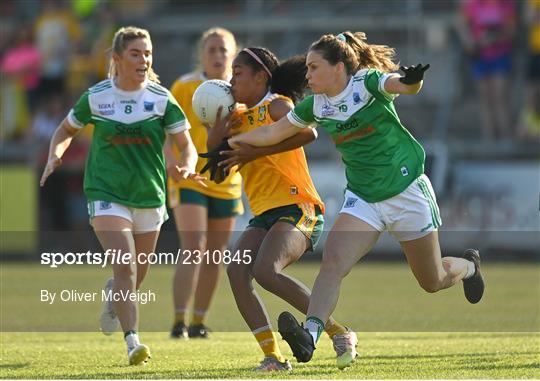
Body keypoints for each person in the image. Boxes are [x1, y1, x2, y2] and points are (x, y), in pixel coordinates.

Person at [209, 31, 485, 368]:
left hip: (407, 192)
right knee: (333, 263)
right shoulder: (316, 105)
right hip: (364, 199)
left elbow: (400, 85)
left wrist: (412, 81)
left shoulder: (366, 83)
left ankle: (469, 267)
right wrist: (232, 145)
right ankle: (310, 336)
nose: (306, 75)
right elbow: (272, 132)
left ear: (338, 68)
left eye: (313, 67)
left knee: (432, 281)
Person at [40, 26, 204, 365]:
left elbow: (185, 146)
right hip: (105, 191)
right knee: (126, 266)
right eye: (136, 53)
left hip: (150, 195)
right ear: (117, 59)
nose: (144, 59)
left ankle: (113, 295)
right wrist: (56, 153)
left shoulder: (161, 99)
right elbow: (66, 129)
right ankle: (133, 342)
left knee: (135, 274)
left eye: (148, 53)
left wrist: (187, 167)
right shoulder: (97, 96)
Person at [203, 47, 356, 371]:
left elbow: (307, 133)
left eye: (238, 73)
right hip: (264, 214)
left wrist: (251, 154)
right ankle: (273, 356)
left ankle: (338, 333)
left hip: (299, 206)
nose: (231, 81)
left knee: (264, 270)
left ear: (261, 78)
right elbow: (216, 172)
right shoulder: (238, 120)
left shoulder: (276, 105)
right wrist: (213, 138)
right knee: (236, 271)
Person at [165, 27, 243, 340]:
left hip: (227, 180)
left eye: (223, 49)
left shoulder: (242, 91)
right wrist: (172, 164)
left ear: (234, 54)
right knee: (194, 247)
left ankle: (199, 322)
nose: (217, 55)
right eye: (211, 49)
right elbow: (167, 131)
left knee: (215, 254)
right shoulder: (184, 86)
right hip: (190, 178)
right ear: (201, 54)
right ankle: (179, 321)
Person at [457, 0, 516, 140]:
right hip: (480, 57)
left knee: (500, 97)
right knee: (485, 99)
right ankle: (488, 139)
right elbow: (460, 24)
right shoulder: (473, 4)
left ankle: (505, 138)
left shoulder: (505, 5)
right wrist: (470, 41)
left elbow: (511, 31)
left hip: (500, 56)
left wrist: (494, 38)